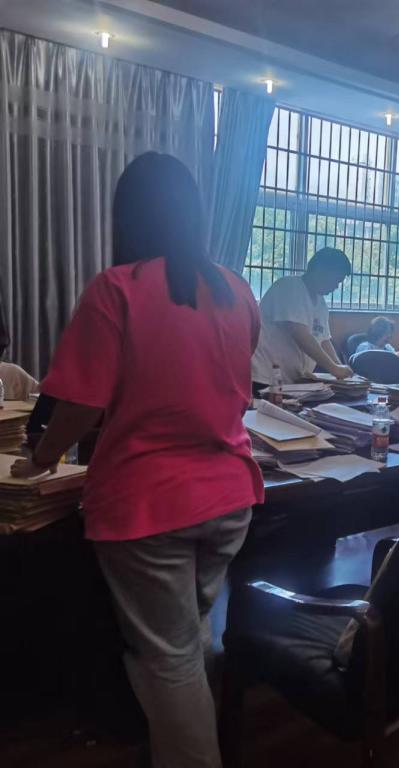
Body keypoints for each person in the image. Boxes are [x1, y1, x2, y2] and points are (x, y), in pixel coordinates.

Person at [12, 152, 263, 768]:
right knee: (188, 637)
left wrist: (40, 458)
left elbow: (80, 404)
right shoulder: (235, 289)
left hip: (150, 508)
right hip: (229, 497)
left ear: (127, 215)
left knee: (168, 656)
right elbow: (234, 383)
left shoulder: (117, 288)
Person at [250, 247, 353, 388]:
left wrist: (340, 369)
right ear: (320, 270)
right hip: (264, 376)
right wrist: (333, 368)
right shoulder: (290, 287)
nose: (336, 286)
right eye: (335, 280)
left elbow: (324, 340)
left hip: (290, 379)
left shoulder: (321, 303)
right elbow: (300, 334)